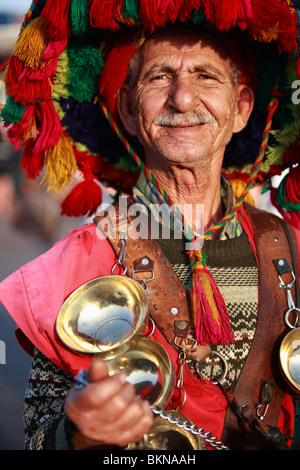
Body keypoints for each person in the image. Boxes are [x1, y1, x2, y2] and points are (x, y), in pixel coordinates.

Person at [0, 0, 300, 451]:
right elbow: (39, 433)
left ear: (240, 108)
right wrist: (80, 432)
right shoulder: (78, 264)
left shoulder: (292, 249)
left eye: (205, 75)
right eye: (160, 76)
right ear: (126, 109)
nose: (182, 97)